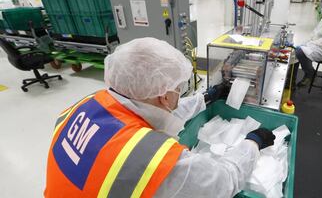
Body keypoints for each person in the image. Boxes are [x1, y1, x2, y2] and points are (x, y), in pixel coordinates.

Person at [44, 37, 276, 198]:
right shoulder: (153, 160)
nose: (180, 95)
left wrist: (204, 98)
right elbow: (223, 182)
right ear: (165, 97)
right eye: (179, 90)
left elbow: (150, 111)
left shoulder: (88, 105)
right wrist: (253, 142)